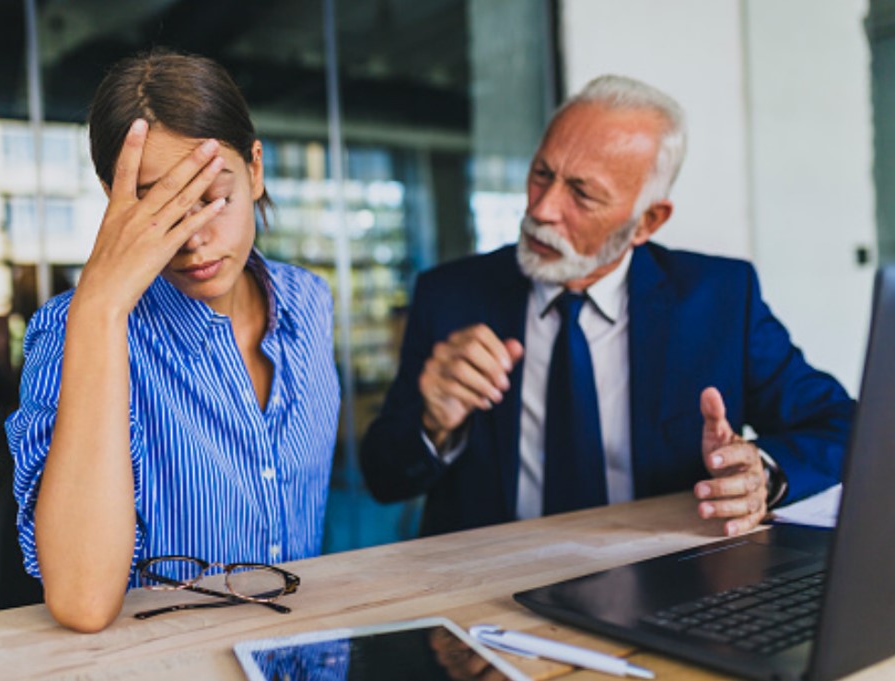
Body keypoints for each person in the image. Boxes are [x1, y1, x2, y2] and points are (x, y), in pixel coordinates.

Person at [360, 74, 853, 541]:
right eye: (541, 174)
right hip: (485, 593)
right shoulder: (451, 294)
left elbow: (842, 424)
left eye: (582, 193)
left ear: (647, 222)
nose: (542, 209)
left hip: (663, 584)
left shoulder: (720, 299)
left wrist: (760, 474)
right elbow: (384, 478)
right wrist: (433, 424)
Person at [5, 49, 340, 632]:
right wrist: (102, 309)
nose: (194, 239)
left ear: (255, 170)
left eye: (212, 198)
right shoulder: (73, 330)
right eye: (161, 206)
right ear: (116, 202)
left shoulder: (309, 302)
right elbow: (82, 602)